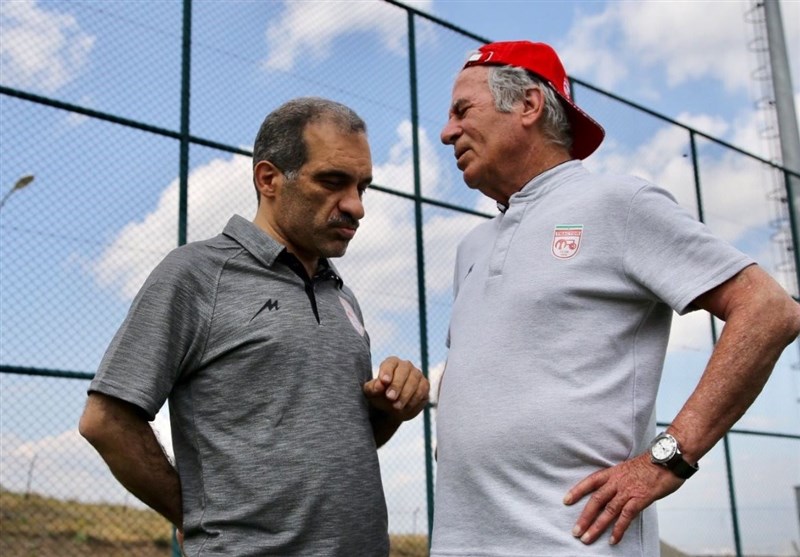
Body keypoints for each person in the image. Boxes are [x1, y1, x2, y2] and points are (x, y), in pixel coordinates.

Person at [430, 40, 800, 556]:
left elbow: (769, 310)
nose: (446, 132)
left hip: (575, 543)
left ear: (529, 106)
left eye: (462, 110)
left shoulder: (617, 204)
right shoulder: (472, 246)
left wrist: (666, 460)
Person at [79, 97, 430, 556]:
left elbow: (342, 443)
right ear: (268, 179)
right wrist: (193, 517)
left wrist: (392, 408)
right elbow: (105, 421)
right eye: (333, 182)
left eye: (362, 187)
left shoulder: (342, 295)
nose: (356, 206)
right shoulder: (196, 274)